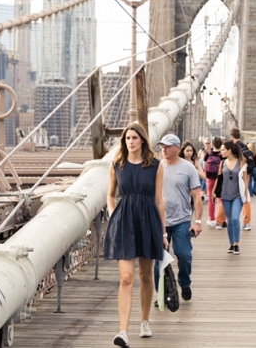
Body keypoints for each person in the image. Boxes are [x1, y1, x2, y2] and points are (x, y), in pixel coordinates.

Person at [104, 123, 166, 347]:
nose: (130, 141)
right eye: (127, 138)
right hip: (124, 223)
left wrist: (163, 232)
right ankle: (123, 331)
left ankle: (145, 320)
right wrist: (114, 216)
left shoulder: (156, 166)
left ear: (142, 140)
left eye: (134, 138)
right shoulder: (116, 165)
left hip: (149, 222)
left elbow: (159, 201)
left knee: (146, 276)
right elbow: (110, 196)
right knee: (126, 277)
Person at [154, 134, 203, 303]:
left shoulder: (188, 168)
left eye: (167, 146)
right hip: (160, 222)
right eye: (162, 147)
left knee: (183, 255)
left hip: (182, 220)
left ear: (177, 148)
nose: (164, 150)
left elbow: (197, 196)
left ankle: (184, 282)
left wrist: (197, 221)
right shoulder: (157, 167)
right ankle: (161, 292)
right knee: (158, 260)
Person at [212, 140, 248, 254]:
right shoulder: (222, 163)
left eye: (223, 150)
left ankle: (236, 243)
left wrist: (246, 193)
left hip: (237, 195)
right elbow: (219, 178)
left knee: (235, 219)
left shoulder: (241, 162)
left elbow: (245, 179)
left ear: (229, 150)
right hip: (225, 195)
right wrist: (213, 191)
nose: (220, 152)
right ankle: (231, 243)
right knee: (228, 220)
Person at [230, 128, 256, 231]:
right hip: (245, 174)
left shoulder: (233, 147)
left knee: (231, 197)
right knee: (245, 197)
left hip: (237, 175)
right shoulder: (244, 146)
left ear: (232, 136)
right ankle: (247, 222)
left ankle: (227, 221)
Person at [203, 137, 223, 227]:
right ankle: (222, 219)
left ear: (213, 144)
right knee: (220, 199)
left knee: (211, 199)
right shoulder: (222, 155)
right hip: (219, 178)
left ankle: (211, 219)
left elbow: (204, 166)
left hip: (209, 178)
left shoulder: (208, 154)